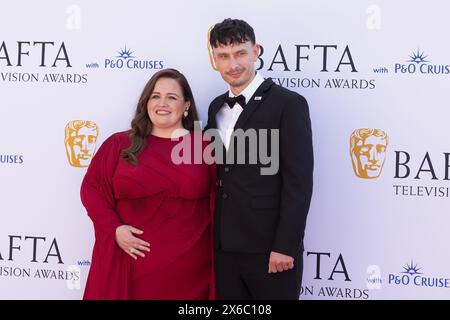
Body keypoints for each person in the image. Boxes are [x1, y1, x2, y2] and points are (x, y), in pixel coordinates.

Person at [80, 68, 215, 299]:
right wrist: (114, 228)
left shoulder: (205, 147)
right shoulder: (119, 144)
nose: (162, 103)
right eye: (155, 96)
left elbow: (224, 199)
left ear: (186, 106)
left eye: (172, 97)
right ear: (146, 102)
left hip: (191, 275)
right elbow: (92, 190)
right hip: (129, 265)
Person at [205, 18, 314, 299]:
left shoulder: (288, 104)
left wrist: (286, 245)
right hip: (224, 249)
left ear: (256, 51)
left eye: (240, 53)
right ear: (214, 60)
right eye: (223, 56)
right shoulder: (216, 106)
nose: (233, 64)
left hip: (270, 250)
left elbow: (298, 182)